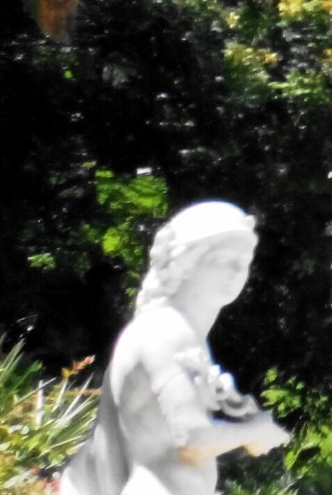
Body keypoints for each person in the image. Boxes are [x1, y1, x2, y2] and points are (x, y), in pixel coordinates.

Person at [60, 201, 290, 495]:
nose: (237, 271)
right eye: (223, 259)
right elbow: (192, 440)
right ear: (185, 262)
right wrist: (255, 432)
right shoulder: (166, 333)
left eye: (244, 262)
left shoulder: (177, 332)